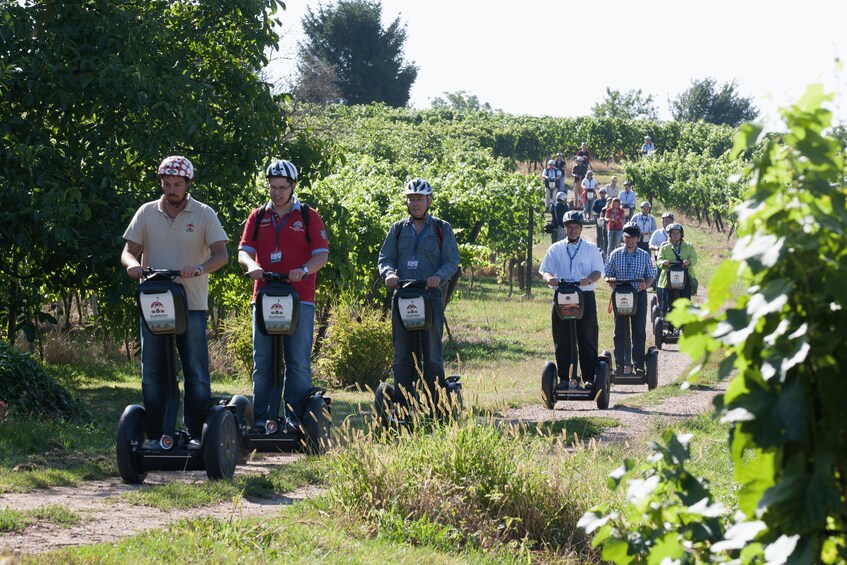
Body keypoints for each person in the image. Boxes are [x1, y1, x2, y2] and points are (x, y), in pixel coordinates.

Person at [121, 156, 229, 449]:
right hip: (154, 303)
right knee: (153, 372)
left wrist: (200, 268)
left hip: (191, 303)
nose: (171, 190)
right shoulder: (146, 212)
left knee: (195, 371)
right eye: (166, 184)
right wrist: (132, 265)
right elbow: (129, 251)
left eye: (177, 185)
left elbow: (221, 255)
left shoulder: (204, 214)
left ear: (188, 184)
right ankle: (159, 435)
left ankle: (196, 434)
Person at [238, 159, 329, 430]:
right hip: (265, 295)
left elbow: (321, 256)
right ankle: (262, 418)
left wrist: (303, 269)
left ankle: (295, 419)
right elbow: (244, 251)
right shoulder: (258, 217)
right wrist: (252, 265)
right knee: (263, 361)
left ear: (292, 187)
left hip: (299, 296)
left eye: (282, 187)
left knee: (298, 362)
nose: (277, 192)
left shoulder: (307, 216)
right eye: (273, 187)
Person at [378, 179, 461, 412]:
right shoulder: (397, 229)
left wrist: (439, 276)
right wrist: (389, 273)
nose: (415, 203)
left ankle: (436, 406)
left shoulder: (441, 228)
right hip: (403, 297)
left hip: (430, 297)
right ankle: (405, 406)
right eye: (411, 198)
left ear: (429, 201)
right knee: (402, 354)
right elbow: (385, 258)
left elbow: (452, 259)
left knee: (432, 354)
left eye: (419, 199)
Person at [539, 211, 605, 386]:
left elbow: (599, 271)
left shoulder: (591, 249)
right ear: (565, 229)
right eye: (570, 227)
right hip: (562, 296)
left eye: (576, 227)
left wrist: (589, 278)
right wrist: (549, 278)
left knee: (587, 337)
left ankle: (589, 378)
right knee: (562, 338)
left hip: (584, 296)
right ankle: (565, 378)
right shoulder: (556, 248)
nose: (573, 230)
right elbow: (545, 270)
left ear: (581, 229)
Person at [604, 222, 656, 374]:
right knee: (619, 330)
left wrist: (644, 285)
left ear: (638, 238)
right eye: (627, 236)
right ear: (623, 237)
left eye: (633, 236)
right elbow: (607, 272)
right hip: (620, 295)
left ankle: (638, 364)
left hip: (638, 295)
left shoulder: (644, 255)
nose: (630, 239)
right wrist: (611, 281)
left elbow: (651, 275)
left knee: (638, 330)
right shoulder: (615, 254)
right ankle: (620, 364)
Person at [657, 223, 698, 316]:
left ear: (681, 234)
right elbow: (659, 260)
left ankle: (684, 325)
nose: (675, 235)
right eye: (673, 233)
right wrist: (663, 262)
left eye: (678, 233)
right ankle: (671, 328)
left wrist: (689, 262)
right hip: (668, 278)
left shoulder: (688, 246)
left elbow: (694, 258)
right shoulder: (664, 247)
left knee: (685, 301)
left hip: (685, 276)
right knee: (670, 303)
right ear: (670, 235)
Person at [593, 188, 609, 257]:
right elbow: (593, 210)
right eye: (601, 193)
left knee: (605, 233)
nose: (602, 194)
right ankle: (598, 246)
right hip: (599, 219)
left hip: (606, 220)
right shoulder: (597, 201)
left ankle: (605, 248)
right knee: (599, 232)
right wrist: (595, 214)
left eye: (604, 193)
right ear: (599, 194)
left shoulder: (607, 202)